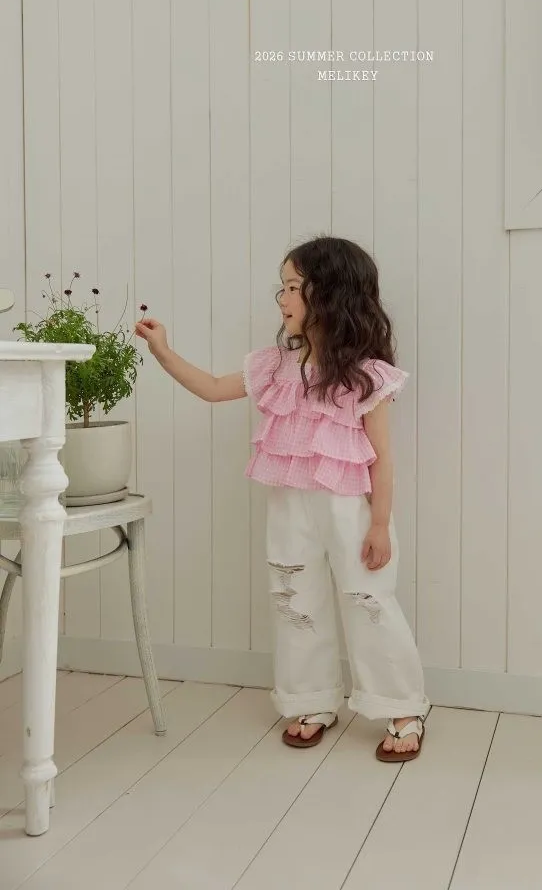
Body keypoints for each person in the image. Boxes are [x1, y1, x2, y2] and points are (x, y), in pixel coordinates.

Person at [135, 235, 429, 761]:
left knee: (368, 601)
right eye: (283, 287)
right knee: (295, 599)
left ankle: (402, 704)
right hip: (291, 504)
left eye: (294, 287)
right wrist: (162, 351)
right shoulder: (276, 366)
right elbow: (212, 387)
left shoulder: (364, 375)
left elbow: (382, 457)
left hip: (350, 508)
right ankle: (311, 698)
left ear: (330, 294)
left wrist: (380, 524)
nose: (283, 298)